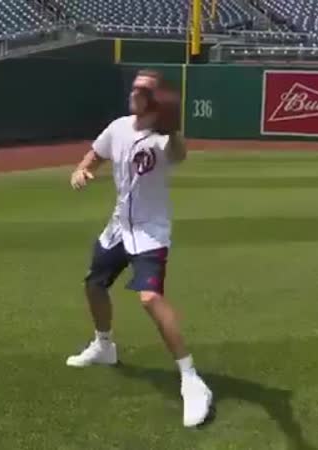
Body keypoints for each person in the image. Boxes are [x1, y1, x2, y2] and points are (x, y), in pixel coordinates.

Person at [66, 70, 213, 427]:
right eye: (134, 87)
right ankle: (104, 345)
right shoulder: (118, 127)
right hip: (119, 227)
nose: (133, 92)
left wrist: (173, 128)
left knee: (149, 298)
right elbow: (93, 156)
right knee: (94, 284)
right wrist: (81, 171)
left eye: (142, 89)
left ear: (155, 99)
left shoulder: (163, 139)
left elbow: (178, 154)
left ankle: (191, 379)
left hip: (150, 232)